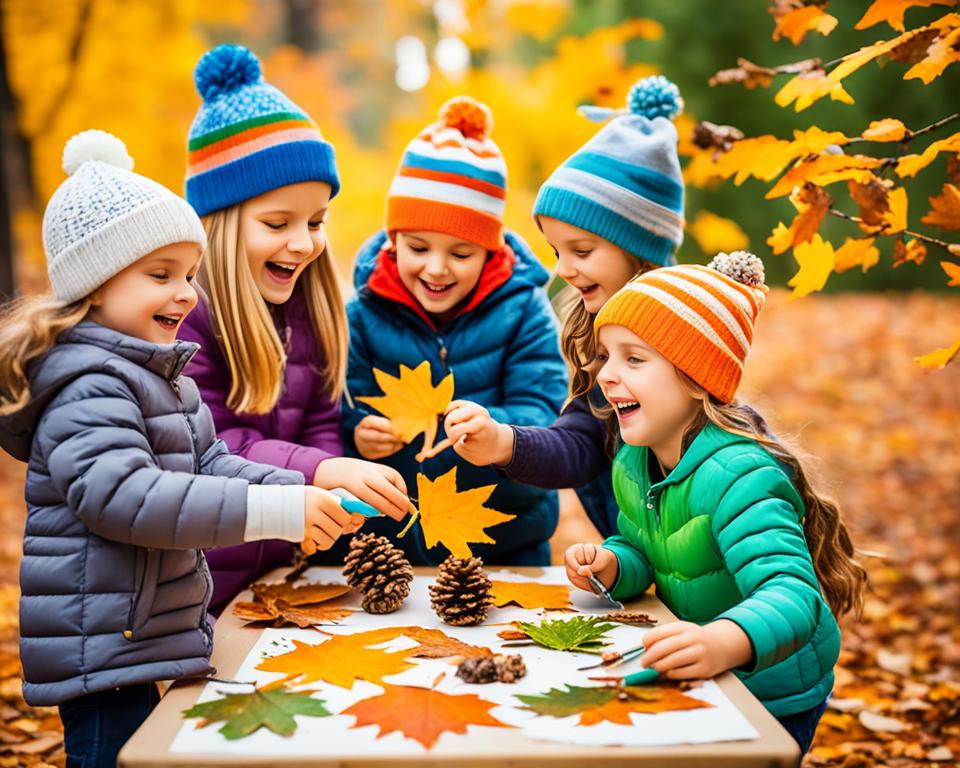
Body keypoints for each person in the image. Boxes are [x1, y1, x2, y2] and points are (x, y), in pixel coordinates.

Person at [0, 130, 362, 768]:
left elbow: (213, 462)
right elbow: (126, 498)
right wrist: (275, 513)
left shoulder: (158, 376)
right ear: (95, 286)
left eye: (189, 274)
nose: (186, 293)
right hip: (102, 646)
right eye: (160, 275)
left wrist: (299, 494)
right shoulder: (89, 384)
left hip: (137, 635)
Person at [564, 251, 867, 754]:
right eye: (607, 356)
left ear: (695, 376)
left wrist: (724, 640)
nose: (606, 375)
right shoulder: (633, 463)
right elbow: (646, 548)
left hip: (772, 690)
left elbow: (793, 596)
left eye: (633, 358)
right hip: (700, 670)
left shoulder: (741, 477)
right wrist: (615, 562)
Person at [177, 45, 408, 611]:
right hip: (200, 587)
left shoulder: (307, 309)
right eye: (277, 222)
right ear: (221, 225)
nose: (303, 243)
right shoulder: (186, 318)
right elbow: (208, 446)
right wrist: (319, 472)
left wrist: (329, 497)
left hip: (282, 576)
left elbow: (320, 423)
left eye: (316, 221)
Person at [342, 96, 567, 565]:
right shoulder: (362, 312)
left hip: (505, 543)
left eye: (461, 254)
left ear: (490, 251)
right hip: (389, 548)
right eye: (418, 247)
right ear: (393, 240)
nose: (437, 268)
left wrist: (497, 433)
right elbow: (340, 406)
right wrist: (358, 433)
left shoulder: (524, 309)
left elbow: (543, 411)